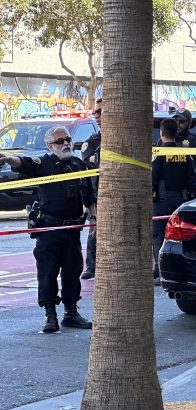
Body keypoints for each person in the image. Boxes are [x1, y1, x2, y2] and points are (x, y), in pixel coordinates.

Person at [0, 126, 96, 333]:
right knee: (47, 273)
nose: (66, 144)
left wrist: (94, 217)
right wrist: (8, 159)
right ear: (50, 145)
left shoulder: (78, 165)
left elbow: (89, 197)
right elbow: (22, 163)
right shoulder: (43, 163)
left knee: (72, 272)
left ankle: (71, 312)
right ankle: (50, 314)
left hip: (72, 229)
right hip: (49, 229)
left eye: (68, 139)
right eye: (60, 141)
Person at [152, 118, 196, 282]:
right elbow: (193, 179)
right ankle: (181, 269)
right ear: (176, 132)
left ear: (162, 133)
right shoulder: (185, 154)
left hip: (162, 201)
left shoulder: (159, 154)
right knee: (180, 235)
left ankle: (160, 270)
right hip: (180, 200)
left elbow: (153, 178)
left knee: (158, 235)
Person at [80, 99, 102, 280]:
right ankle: (91, 265)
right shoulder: (92, 142)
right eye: (95, 112)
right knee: (94, 229)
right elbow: (89, 165)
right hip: (97, 193)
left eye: (101, 112)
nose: (97, 116)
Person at [171, 108, 196, 192]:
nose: (178, 124)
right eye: (175, 121)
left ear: (189, 123)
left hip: (188, 189)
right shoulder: (165, 140)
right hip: (168, 189)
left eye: (181, 121)